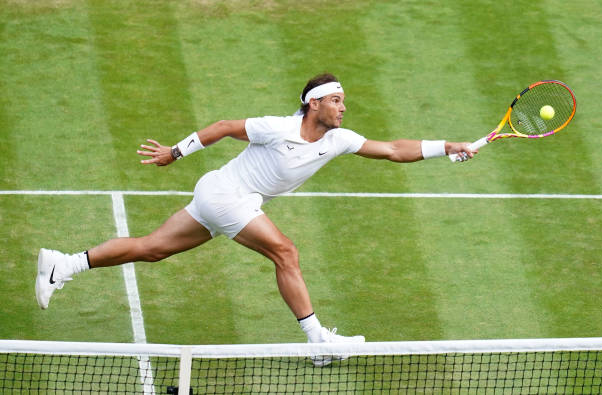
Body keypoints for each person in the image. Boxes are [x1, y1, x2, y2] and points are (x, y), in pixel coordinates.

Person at [36, 73, 475, 364]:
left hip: (223, 196)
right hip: (227, 194)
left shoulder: (339, 139)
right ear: (313, 103)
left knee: (151, 249)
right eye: (336, 100)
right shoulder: (278, 128)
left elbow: (395, 149)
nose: (343, 107)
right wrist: (175, 152)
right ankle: (318, 341)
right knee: (286, 251)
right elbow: (226, 125)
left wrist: (448, 146)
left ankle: (64, 263)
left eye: (344, 101)